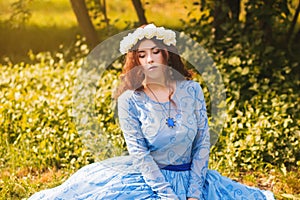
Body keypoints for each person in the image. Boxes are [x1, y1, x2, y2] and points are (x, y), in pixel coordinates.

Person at [29, 24, 275, 200]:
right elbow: (140, 154)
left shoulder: (192, 90)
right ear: (135, 61)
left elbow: (202, 143)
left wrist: (194, 194)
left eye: (155, 51)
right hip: (150, 179)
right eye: (142, 55)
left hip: (192, 179)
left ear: (167, 54)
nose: (150, 60)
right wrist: (167, 196)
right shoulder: (129, 100)